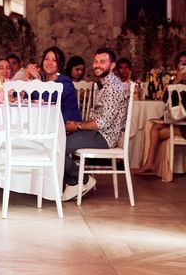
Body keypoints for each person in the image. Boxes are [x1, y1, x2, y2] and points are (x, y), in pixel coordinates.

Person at [62, 48, 128, 201]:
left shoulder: (113, 88)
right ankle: (77, 181)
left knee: (59, 145)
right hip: (96, 133)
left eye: (102, 62)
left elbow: (102, 123)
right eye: (96, 61)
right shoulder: (104, 85)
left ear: (112, 66)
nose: (97, 65)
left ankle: (80, 181)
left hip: (104, 137)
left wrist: (77, 126)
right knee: (59, 139)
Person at [137, 51, 186, 180]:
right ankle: (151, 164)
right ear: (178, 66)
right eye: (182, 63)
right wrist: (176, 82)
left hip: (184, 124)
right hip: (178, 121)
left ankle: (151, 164)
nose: (184, 67)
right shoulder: (176, 82)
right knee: (152, 127)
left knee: (155, 130)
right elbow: (165, 100)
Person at [25, 46, 81, 122]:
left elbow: (45, 99)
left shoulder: (65, 82)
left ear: (60, 64)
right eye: (46, 59)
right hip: (48, 123)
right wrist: (28, 79)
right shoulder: (43, 80)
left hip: (67, 125)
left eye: (54, 60)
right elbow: (23, 97)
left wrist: (36, 78)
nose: (49, 63)